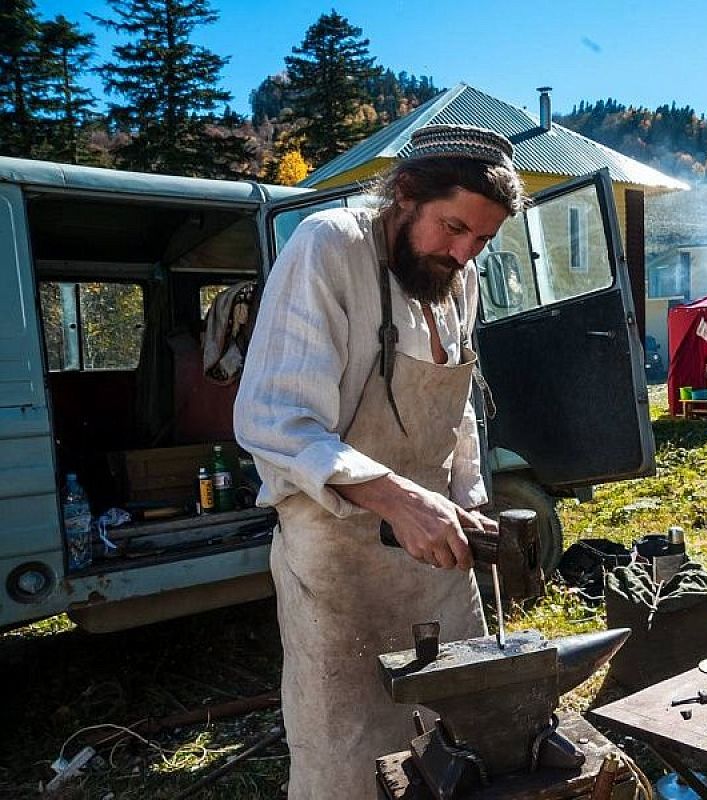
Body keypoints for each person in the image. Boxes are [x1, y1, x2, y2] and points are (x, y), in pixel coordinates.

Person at [234, 124, 527, 799]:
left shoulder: (463, 275)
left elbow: (457, 411)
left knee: (459, 734)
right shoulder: (328, 246)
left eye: (481, 240)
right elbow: (273, 417)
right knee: (348, 748)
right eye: (453, 228)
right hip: (337, 556)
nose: (462, 253)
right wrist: (396, 497)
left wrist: (471, 501)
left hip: (436, 552)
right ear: (404, 193)